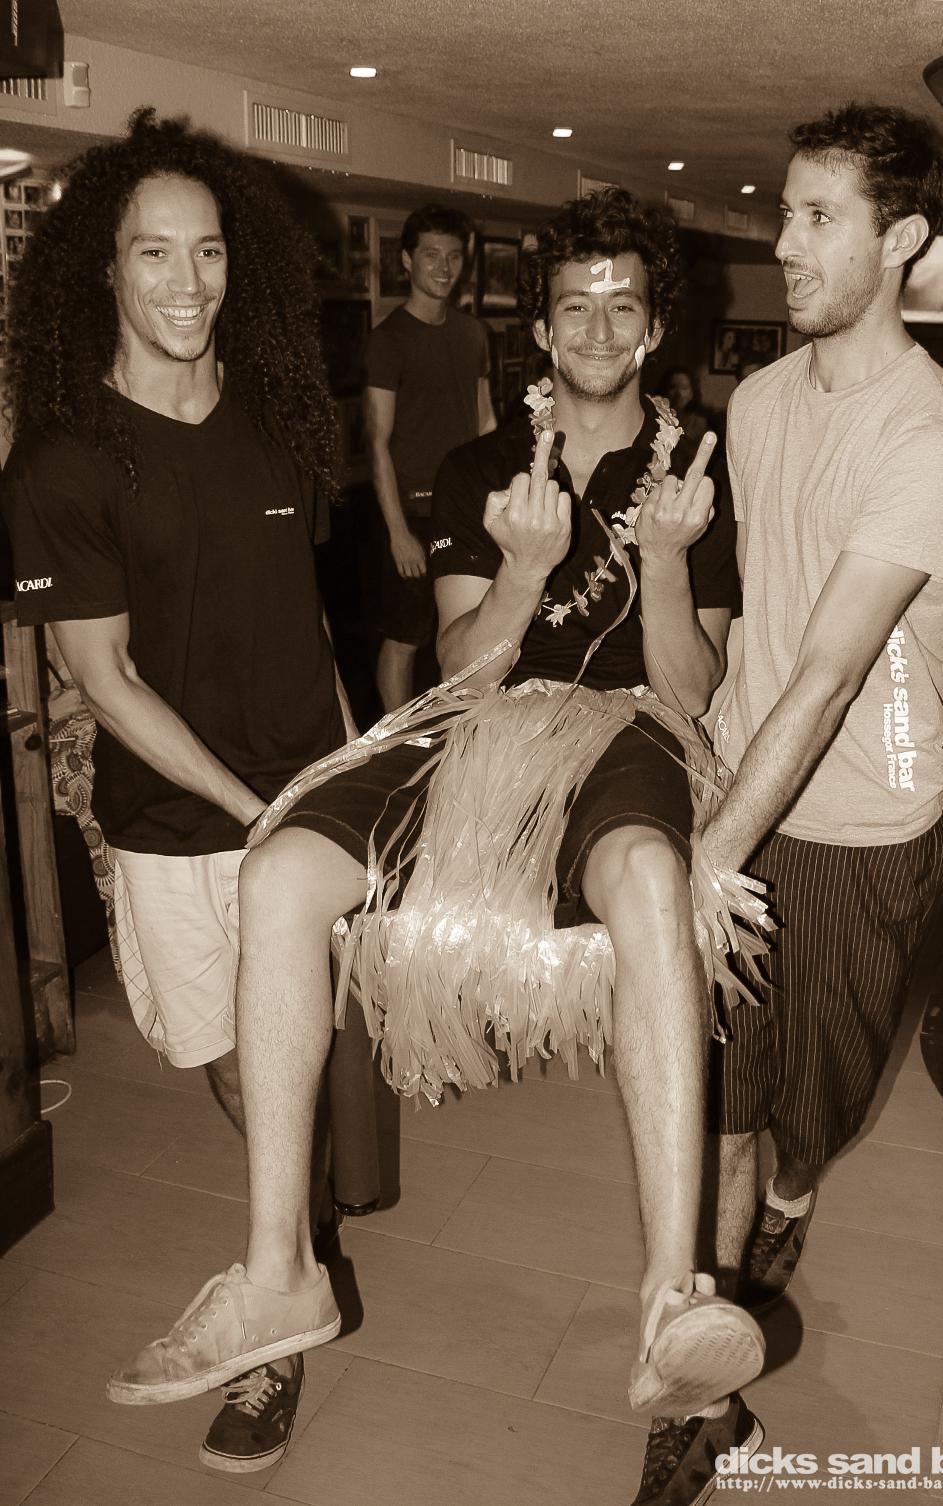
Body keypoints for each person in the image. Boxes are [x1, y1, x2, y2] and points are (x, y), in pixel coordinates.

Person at [105, 186, 772, 1468]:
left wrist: (667, 559)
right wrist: (519, 571)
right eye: (572, 306)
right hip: (478, 729)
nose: (595, 328)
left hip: (628, 729)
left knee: (646, 872)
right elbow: (458, 674)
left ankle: (668, 1296)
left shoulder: (699, 474)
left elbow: (690, 691)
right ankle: (278, 1272)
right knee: (280, 868)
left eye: (620, 307)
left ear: (651, 329)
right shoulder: (478, 470)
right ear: (542, 329)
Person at [630, 103, 943, 1506]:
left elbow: (835, 673)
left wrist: (703, 861)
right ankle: (694, 1391)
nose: (783, 242)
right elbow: (747, 632)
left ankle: (792, 1190)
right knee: (716, 1107)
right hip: (738, 796)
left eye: (817, 217)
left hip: (865, 826)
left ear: (901, 241)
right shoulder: (762, 404)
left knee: (809, 1113)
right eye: (783, 211)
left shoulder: (934, 433)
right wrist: (702, 817)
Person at [1, 108, 353, 1474]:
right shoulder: (63, 460)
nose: (186, 281)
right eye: (154, 252)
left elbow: (305, 621)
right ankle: (300, 1240)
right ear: (102, 266)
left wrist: (346, 777)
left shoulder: (278, 417)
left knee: (284, 1066)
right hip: (172, 821)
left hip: (305, 806)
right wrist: (255, 810)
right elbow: (104, 679)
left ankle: (277, 1317)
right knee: (224, 1061)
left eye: (206, 251)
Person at [365, 203, 496, 711]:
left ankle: (461, 732)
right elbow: (377, 441)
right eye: (431, 255)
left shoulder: (473, 334)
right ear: (407, 260)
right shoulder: (388, 340)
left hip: (468, 510)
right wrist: (397, 531)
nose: (444, 267)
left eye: (454, 256)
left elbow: (486, 424)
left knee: (471, 629)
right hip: (413, 512)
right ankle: (392, 743)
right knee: (405, 637)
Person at [662, 366, 710, 447]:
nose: (679, 393)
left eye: (684, 388)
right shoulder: (656, 419)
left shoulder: (699, 423)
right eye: (673, 387)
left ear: (692, 392)